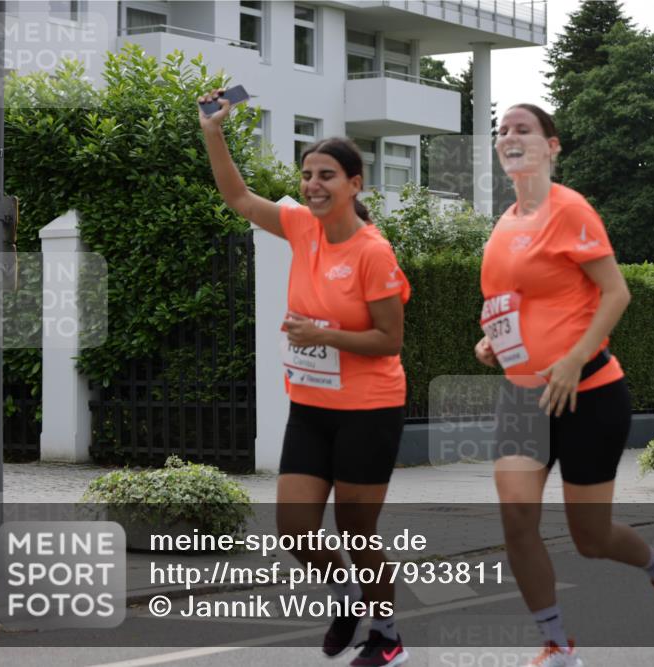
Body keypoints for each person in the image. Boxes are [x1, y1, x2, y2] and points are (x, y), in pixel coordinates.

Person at [475, 103, 654, 667]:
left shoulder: (569, 210)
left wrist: (575, 359)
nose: (510, 137)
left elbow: (616, 292)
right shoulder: (502, 226)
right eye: (503, 131)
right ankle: (558, 646)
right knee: (517, 522)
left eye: (523, 129)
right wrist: (492, 339)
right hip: (524, 397)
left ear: (553, 146)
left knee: (590, 538)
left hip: (590, 392)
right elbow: (505, 303)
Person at [199, 89, 410, 667]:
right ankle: (346, 596)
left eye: (327, 175)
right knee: (294, 528)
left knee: (357, 530)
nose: (314, 184)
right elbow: (239, 197)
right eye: (307, 174)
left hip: (369, 407)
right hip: (313, 405)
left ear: (355, 184)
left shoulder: (374, 254)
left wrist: (326, 336)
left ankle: (387, 635)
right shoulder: (300, 226)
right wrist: (213, 131)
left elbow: (389, 340)